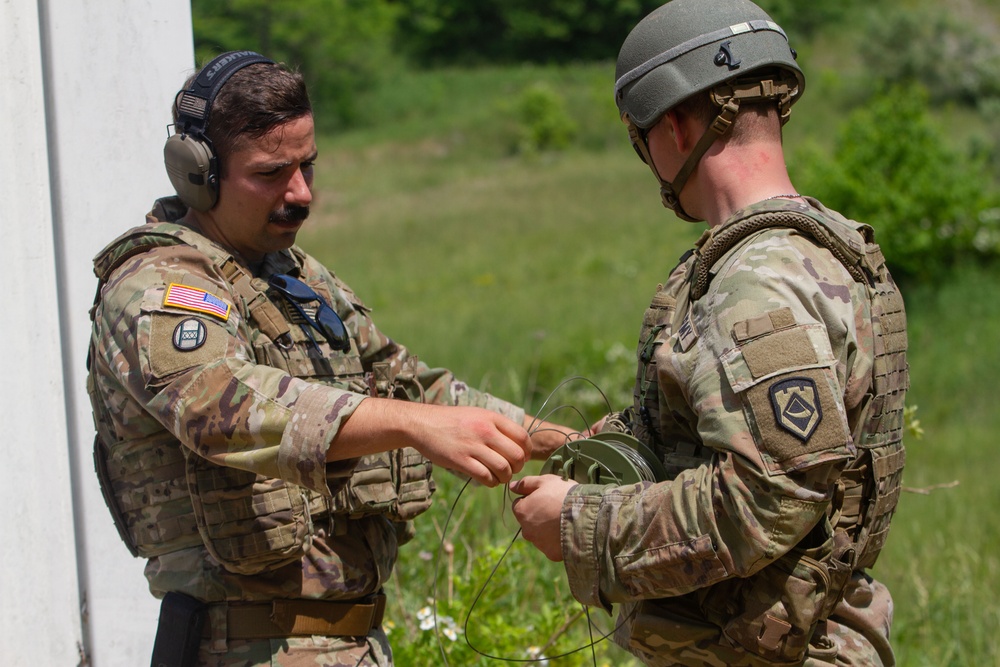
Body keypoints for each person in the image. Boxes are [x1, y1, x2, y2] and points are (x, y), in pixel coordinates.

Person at [87, 51, 569, 666]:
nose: (301, 194)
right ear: (197, 175)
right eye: (270, 174)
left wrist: (550, 436)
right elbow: (219, 406)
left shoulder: (293, 276)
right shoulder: (156, 284)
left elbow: (407, 383)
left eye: (307, 166)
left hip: (352, 639)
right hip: (245, 646)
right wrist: (413, 427)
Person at [511, 1, 908, 665]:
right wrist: (605, 444)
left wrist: (582, 522)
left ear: (671, 126)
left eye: (642, 142)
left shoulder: (758, 280)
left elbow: (775, 490)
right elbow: (738, 431)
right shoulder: (822, 252)